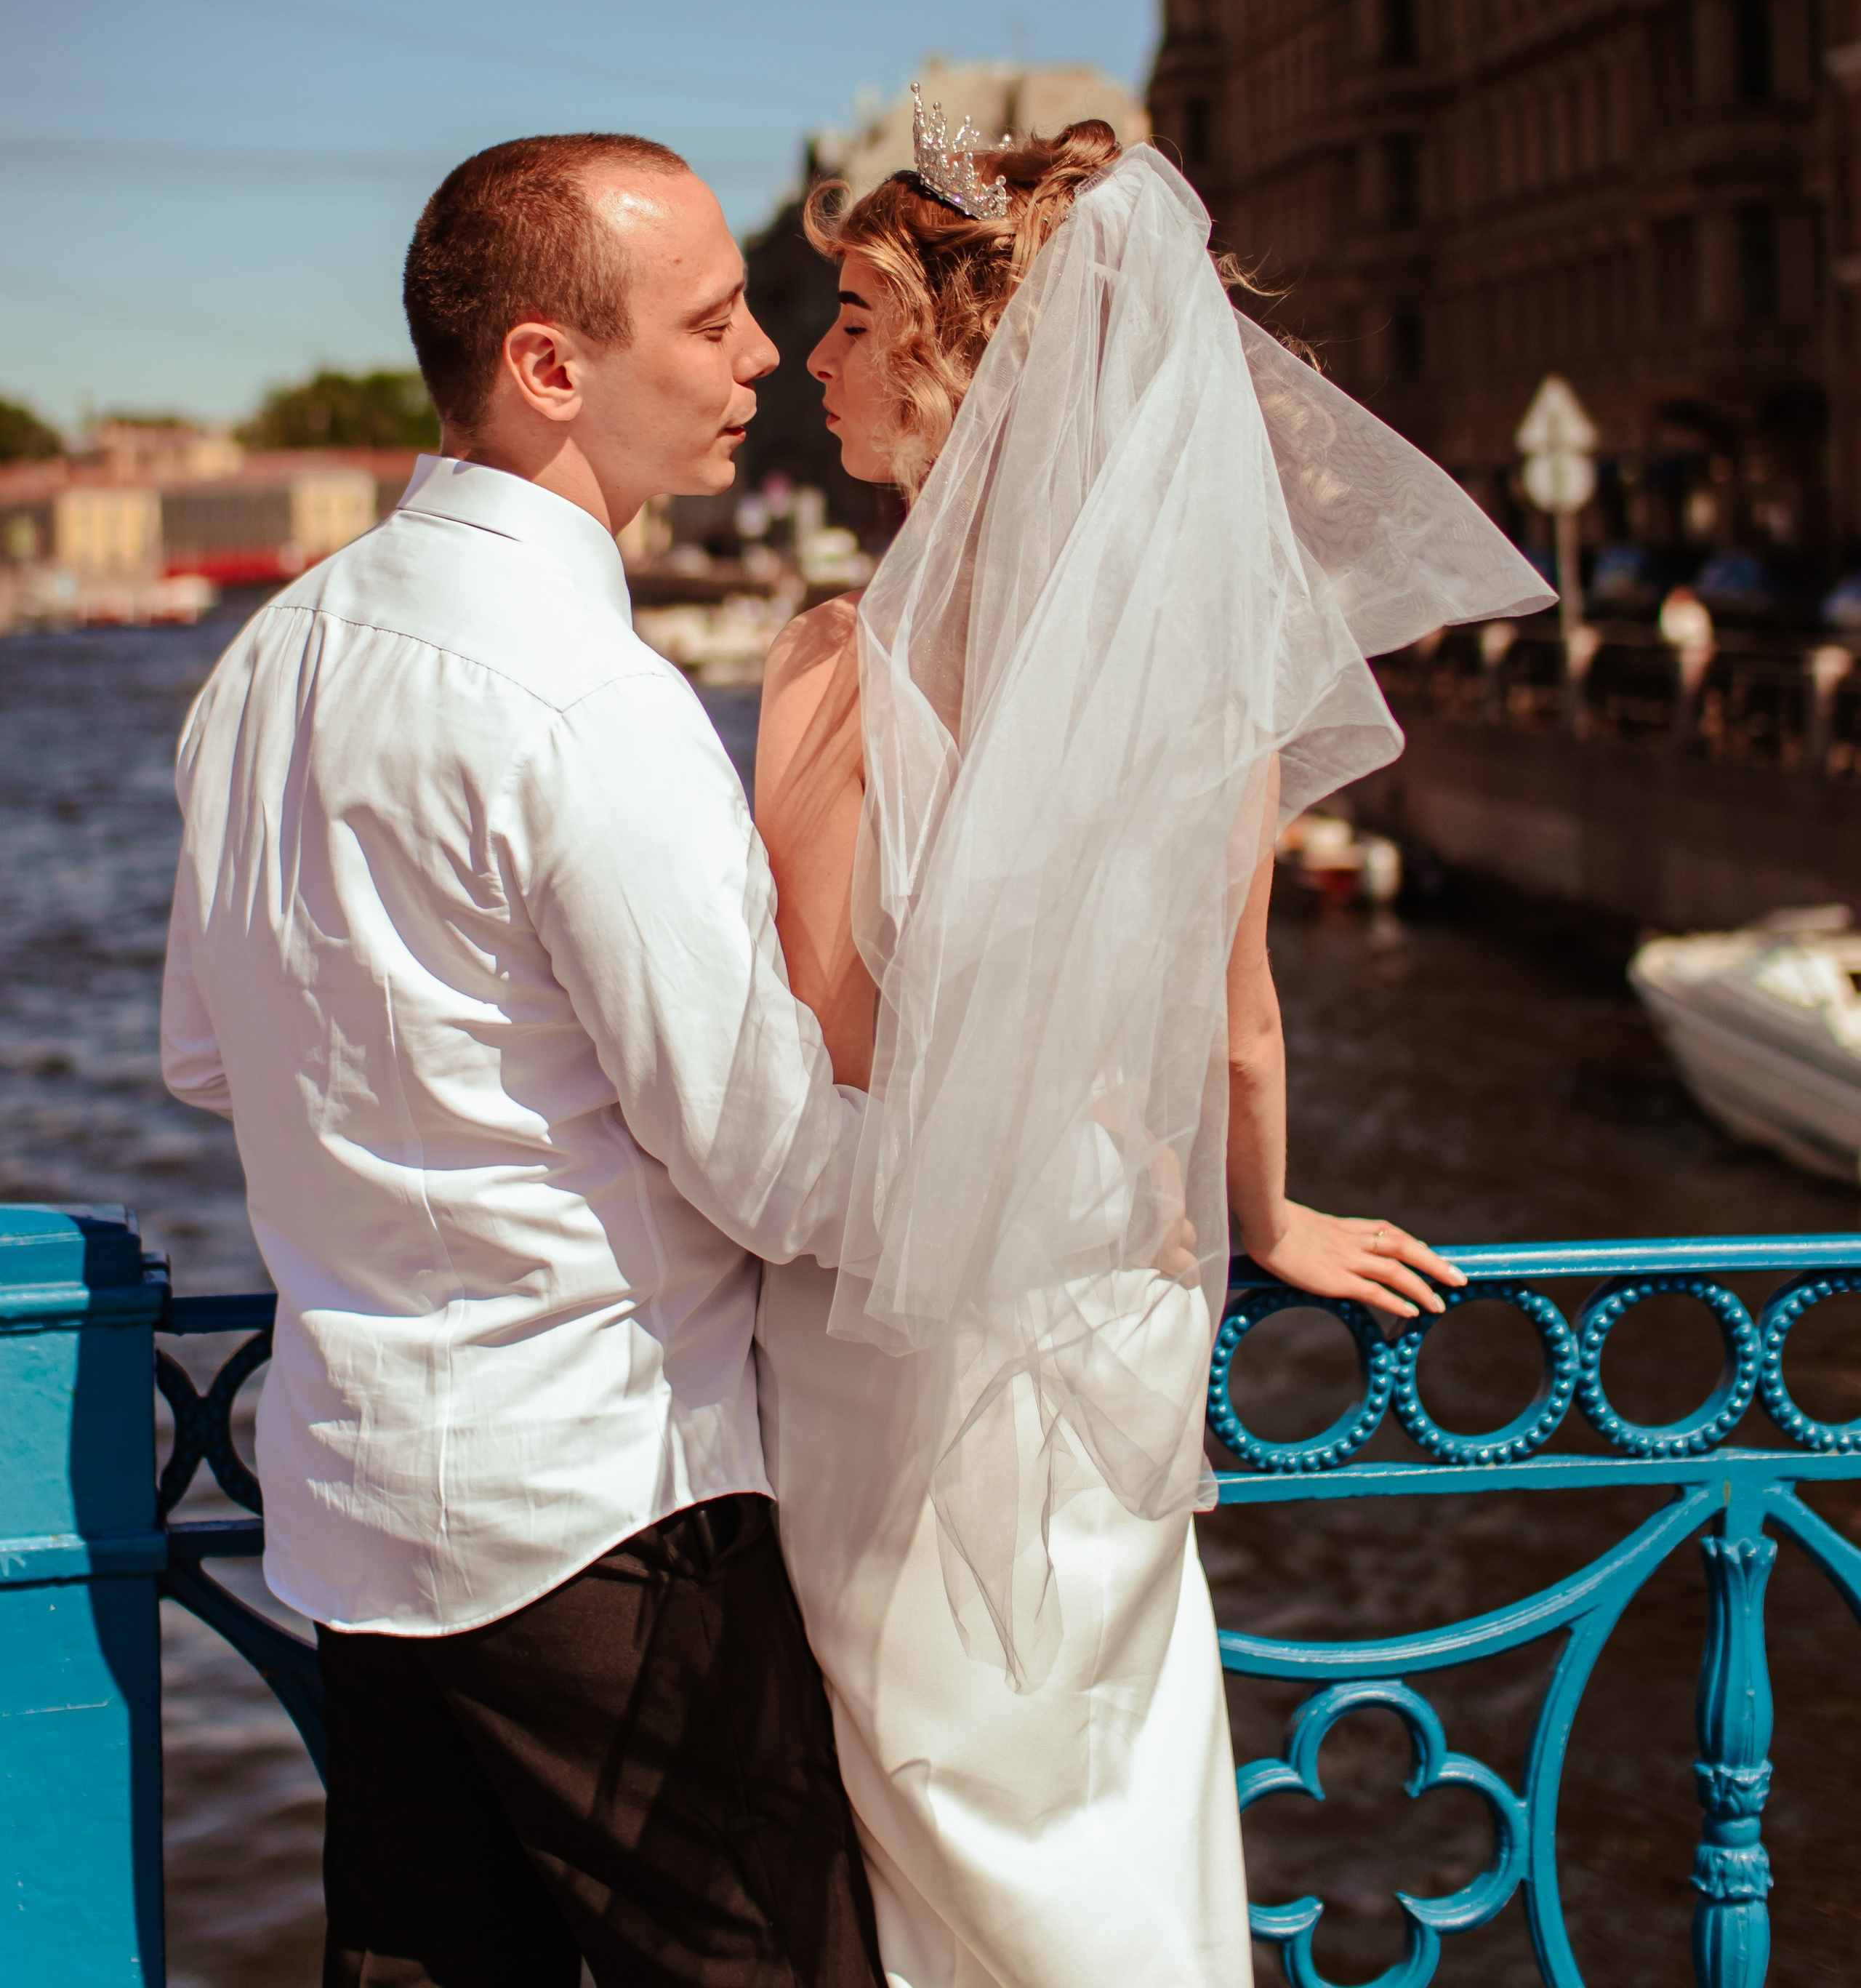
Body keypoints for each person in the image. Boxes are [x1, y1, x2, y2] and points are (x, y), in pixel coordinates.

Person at [753, 108, 1552, 1988]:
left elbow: (802, 1045)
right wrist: (1267, 1219)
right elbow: (1240, 1036)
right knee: (1111, 1779)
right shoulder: (1197, 693)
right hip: (1104, 1311)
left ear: (959, 359)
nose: (818, 359)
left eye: (857, 316)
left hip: (878, 1320)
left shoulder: (823, 666)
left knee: (931, 1819)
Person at [161, 133, 888, 1988]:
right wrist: (1035, 1163)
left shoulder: (266, 661)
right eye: (714, 320)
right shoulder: (592, 701)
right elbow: (771, 1165)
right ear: (551, 368)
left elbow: (200, 1059)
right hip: (605, 1518)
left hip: (353, 1511)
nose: (754, 360)